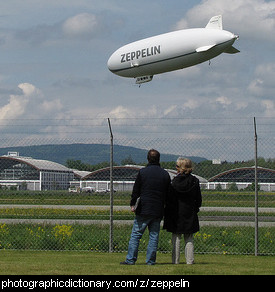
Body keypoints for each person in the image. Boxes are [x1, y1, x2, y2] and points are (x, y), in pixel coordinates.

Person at [120, 149, 171, 265]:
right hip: (158, 209)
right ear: (159, 159)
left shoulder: (143, 172)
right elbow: (168, 193)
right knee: (154, 236)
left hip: (143, 208)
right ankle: (150, 261)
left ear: (148, 159)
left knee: (136, 235)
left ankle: (131, 259)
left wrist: (132, 204)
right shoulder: (165, 174)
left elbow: (136, 190)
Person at [163, 157, 202, 265]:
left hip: (176, 213)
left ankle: (175, 260)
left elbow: (169, 199)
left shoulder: (174, 182)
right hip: (190, 211)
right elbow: (198, 199)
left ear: (180, 168)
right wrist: (196, 207)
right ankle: (190, 260)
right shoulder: (195, 181)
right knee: (189, 238)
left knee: (176, 237)